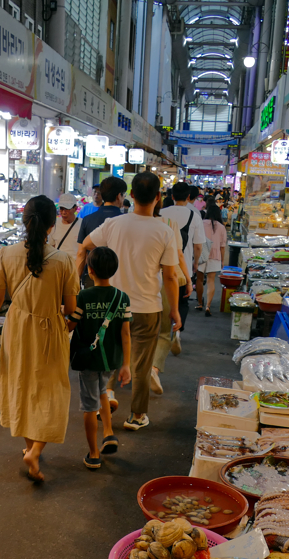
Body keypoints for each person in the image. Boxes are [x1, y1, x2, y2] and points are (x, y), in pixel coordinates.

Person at [0, 196, 79, 483]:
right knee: (52, 389)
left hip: (17, 328)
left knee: (21, 384)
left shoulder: (5, 254)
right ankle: (35, 450)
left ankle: (28, 445)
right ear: (52, 224)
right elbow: (71, 309)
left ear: (24, 220)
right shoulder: (63, 260)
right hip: (49, 329)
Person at [78, 172, 180, 431]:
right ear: (158, 197)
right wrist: (175, 311)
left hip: (112, 303)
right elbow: (170, 277)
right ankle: (137, 416)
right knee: (142, 365)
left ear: (131, 195)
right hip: (148, 308)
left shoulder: (115, 224)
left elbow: (87, 245)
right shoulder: (165, 231)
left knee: (109, 354)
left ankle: (108, 395)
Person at [68, 246, 132, 470]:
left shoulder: (83, 297)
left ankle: (93, 453)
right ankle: (109, 433)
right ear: (113, 270)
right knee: (103, 390)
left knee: (88, 405)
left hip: (88, 360)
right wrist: (126, 364)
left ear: (90, 270)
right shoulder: (122, 297)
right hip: (111, 360)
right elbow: (125, 333)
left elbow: (71, 325)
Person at [157, 181, 203, 358]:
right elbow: (198, 246)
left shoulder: (161, 213)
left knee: (161, 299)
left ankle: (160, 331)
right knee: (182, 302)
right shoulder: (195, 215)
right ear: (189, 197)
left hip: (162, 266)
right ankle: (177, 331)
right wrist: (195, 263)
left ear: (172, 196)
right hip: (183, 268)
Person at [75, 176, 126, 285]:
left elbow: (80, 254)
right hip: (118, 279)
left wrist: (75, 281)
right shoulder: (126, 221)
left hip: (92, 278)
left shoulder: (87, 219)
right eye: (123, 195)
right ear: (118, 196)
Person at [199, 202, 228, 316]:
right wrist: (222, 260)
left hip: (201, 253)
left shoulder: (201, 223)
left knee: (200, 279)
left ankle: (200, 303)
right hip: (215, 255)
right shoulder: (221, 227)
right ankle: (208, 306)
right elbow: (222, 246)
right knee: (211, 281)